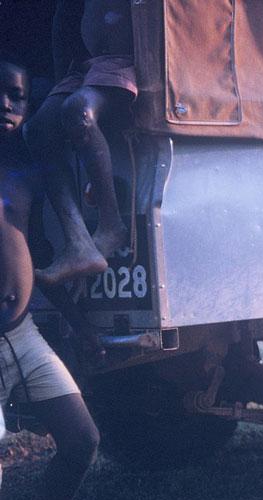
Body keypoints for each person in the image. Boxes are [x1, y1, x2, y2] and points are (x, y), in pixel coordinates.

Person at [1, 55, 100, 500]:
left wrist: (82, 328)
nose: (6, 107)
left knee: (83, 440)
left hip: (23, 334)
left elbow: (40, 259)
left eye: (16, 97)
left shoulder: (27, 171)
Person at [24, 0, 134, 286]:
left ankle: (111, 225)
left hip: (126, 60)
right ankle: (78, 243)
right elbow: (64, 22)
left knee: (78, 110)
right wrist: (63, 81)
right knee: (37, 128)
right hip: (86, 67)